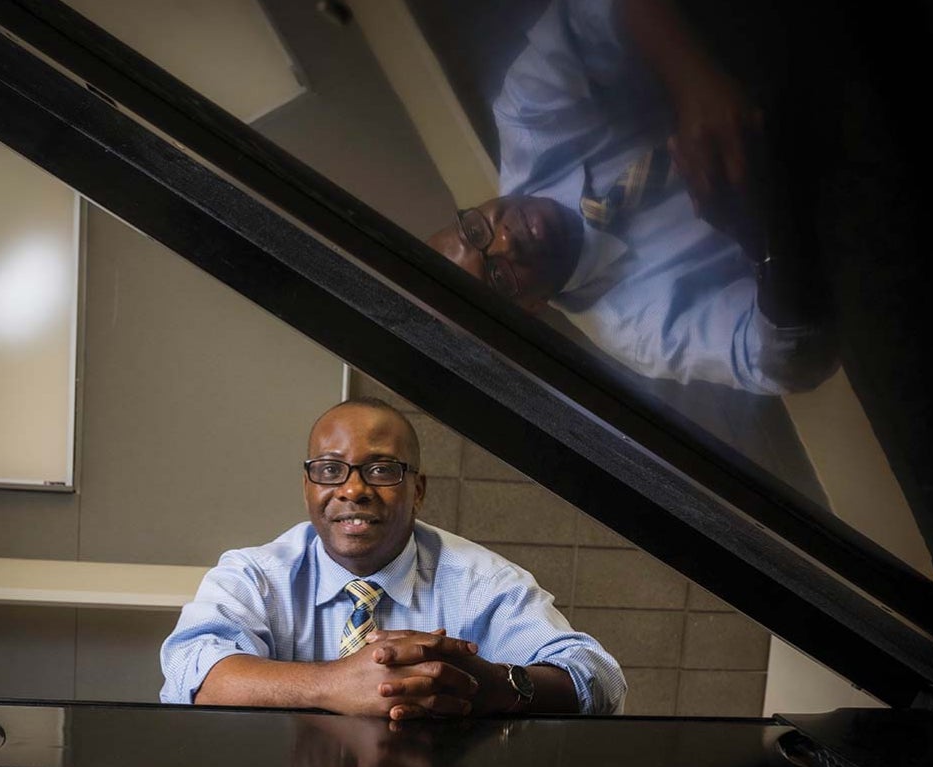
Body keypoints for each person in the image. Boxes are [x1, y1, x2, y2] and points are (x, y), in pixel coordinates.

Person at [427, 0, 837, 396]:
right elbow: (788, 363)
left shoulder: (526, 115)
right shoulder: (638, 331)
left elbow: (597, 8)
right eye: (498, 277)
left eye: (475, 231)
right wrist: (762, 234)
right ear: (530, 307)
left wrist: (695, 84)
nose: (505, 242)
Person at [160, 399, 625, 719]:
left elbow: (599, 678)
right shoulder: (255, 575)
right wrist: (334, 685)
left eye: (381, 470)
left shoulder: (482, 580)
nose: (353, 489)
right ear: (308, 489)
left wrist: (493, 686)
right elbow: (193, 672)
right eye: (329, 470)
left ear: (417, 490)